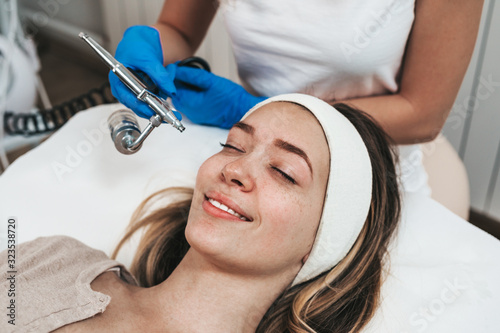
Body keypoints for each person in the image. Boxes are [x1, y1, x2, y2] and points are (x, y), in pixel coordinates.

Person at [1, 94, 400, 332]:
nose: (234, 169)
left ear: (323, 241)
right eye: (233, 145)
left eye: (283, 171)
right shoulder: (56, 260)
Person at [109, 0, 484, 203]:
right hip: (251, 151)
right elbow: (178, 30)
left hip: (368, 170)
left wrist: (256, 109)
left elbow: (422, 116)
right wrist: (147, 53)